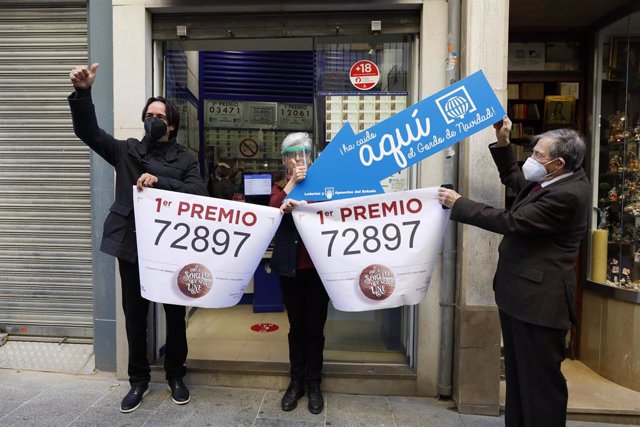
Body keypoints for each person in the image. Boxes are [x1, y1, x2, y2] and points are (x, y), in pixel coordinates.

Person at [68, 63, 208, 413]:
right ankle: (138, 381)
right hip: (131, 248)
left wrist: (160, 182)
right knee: (134, 316)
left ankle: (176, 374)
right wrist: (83, 93)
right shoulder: (126, 150)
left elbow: (199, 192)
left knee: (175, 317)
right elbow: (89, 132)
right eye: (148, 114)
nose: (153, 119)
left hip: (172, 252)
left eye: (159, 115)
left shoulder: (186, 159)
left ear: (171, 124)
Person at [437, 116, 589, 427]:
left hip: (538, 304)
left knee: (540, 389)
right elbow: (516, 182)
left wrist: (459, 204)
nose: (531, 158)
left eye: (538, 155)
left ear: (558, 163)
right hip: (519, 298)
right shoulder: (554, 180)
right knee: (520, 383)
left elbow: (510, 221)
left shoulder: (568, 195)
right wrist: (504, 143)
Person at [269, 132, 329, 415]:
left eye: (303, 153)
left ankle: (315, 383)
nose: (298, 159)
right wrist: (292, 185)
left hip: (319, 269)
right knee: (297, 327)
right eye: (292, 155)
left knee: (315, 329)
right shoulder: (280, 186)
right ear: (284, 160)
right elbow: (272, 213)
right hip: (291, 269)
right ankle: (296, 383)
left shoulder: (323, 186)